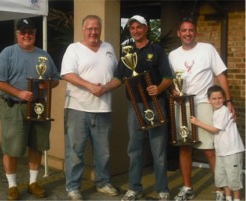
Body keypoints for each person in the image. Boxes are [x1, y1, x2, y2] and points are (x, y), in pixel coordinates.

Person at [103, 15, 173, 201]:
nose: (135, 30)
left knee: (158, 151)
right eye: (132, 28)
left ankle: (162, 189)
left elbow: (169, 78)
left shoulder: (157, 51)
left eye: (139, 27)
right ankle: (134, 188)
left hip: (156, 105)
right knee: (134, 150)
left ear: (146, 28)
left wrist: (158, 88)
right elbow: (119, 78)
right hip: (134, 107)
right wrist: (102, 88)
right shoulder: (127, 52)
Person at [0, 18, 60, 200]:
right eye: (23, 32)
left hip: (39, 106)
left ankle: (33, 182)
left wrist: (48, 84)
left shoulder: (43, 55)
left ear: (35, 34)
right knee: (12, 149)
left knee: (37, 145)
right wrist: (19, 93)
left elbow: (55, 79)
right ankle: (12, 186)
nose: (27, 35)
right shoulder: (8, 53)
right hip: (15, 107)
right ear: (17, 34)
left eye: (30, 32)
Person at [168, 17, 236, 201]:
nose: (187, 33)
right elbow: (171, 81)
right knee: (185, 148)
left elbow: (221, 76)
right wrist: (174, 90)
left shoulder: (207, 49)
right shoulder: (173, 55)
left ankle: (220, 190)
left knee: (209, 150)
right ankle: (187, 187)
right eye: (184, 30)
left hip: (204, 104)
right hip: (182, 105)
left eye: (191, 30)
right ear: (179, 33)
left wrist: (228, 101)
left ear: (195, 32)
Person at [60, 15, 118, 201]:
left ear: (100, 29)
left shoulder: (108, 48)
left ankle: (102, 182)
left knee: (104, 151)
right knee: (75, 151)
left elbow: (117, 75)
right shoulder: (74, 49)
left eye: (96, 28)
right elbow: (67, 74)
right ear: (83, 30)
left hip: (103, 108)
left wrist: (105, 88)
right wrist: (90, 86)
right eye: (90, 29)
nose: (93, 32)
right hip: (78, 108)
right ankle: (73, 187)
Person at [190, 85, 244, 201]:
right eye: (214, 99)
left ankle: (237, 199)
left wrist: (198, 122)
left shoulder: (224, 111)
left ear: (224, 98)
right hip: (221, 151)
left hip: (232, 151)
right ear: (209, 100)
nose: (217, 101)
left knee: (233, 178)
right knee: (223, 177)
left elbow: (215, 130)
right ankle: (228, 197)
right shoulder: (216, 112)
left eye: (220, 98)